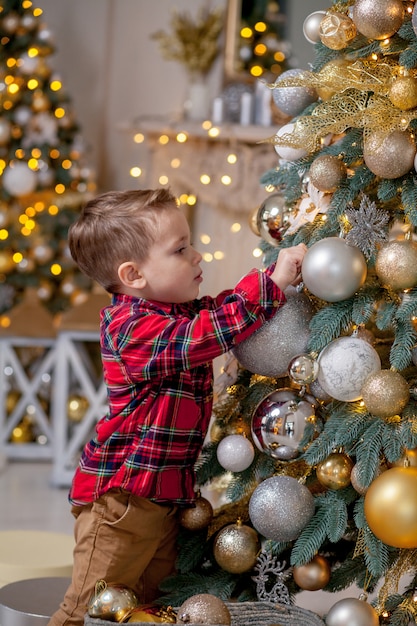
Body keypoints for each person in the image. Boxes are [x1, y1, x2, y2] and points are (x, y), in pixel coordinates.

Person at [48, 188, 306, 626]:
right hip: (122, 501)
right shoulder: (132, 327)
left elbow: (222, 309)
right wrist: (272, 284)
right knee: (86, 611)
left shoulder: (175, 310)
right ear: (133, 274)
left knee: (149, 608)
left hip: (163, 499)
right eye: (180, 248)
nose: (197, 254)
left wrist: (274, 276)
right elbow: (208, 334)